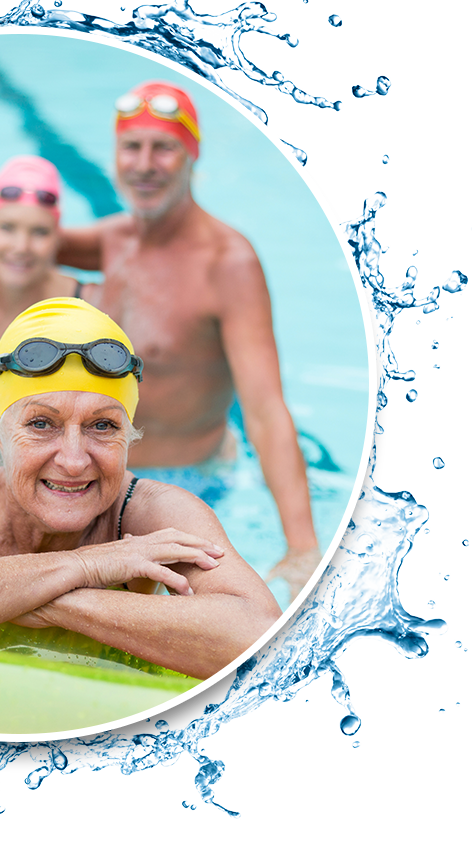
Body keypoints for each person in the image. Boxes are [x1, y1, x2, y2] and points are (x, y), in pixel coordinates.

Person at [0, 297, 280, 679]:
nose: (73, 459)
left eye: (103, 426)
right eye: (41, 424)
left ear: (130, 436)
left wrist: (46, 600)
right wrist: (87, 564)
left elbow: (263, 640)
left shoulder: (153, 515)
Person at [57, 81, 320, 594]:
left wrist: (302, 545)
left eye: (164, 147)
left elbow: (265, 411)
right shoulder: (112, 241)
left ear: (192, 155)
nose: (145, 163)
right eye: (132, 147)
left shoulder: (227, 263)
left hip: (191, 484)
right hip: (97, 475)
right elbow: (16, 230)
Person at [0, 155, 83, 400]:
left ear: (58, 238)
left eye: (40, 232)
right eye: (7, 228)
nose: (21, 246)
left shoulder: (88, 308)